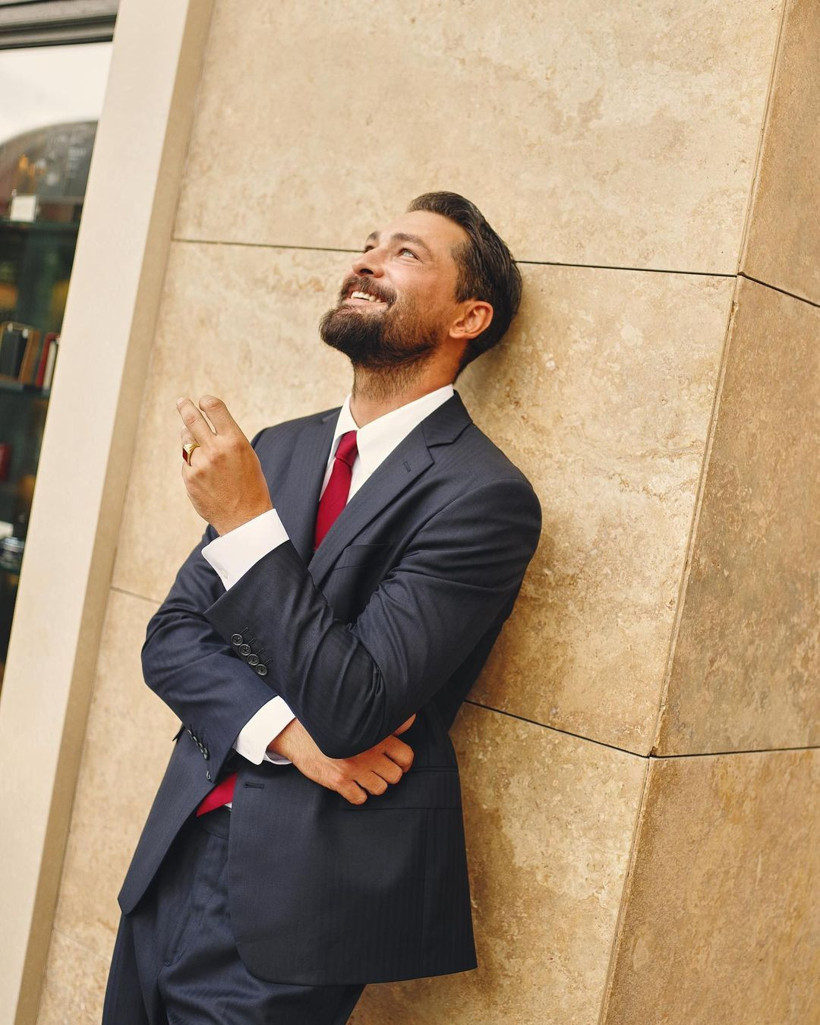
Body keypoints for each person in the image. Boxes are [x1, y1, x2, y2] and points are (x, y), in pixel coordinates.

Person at [103, 192, 542, 1025]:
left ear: (469, 316)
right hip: (171, 860)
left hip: (294, 908)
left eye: (406, 253)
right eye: (369, 244)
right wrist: (290, 737)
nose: (367, 261)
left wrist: (246, 523)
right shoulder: (280, 448)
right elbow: (172, 639)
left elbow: (354, 703)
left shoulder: (484, 497)